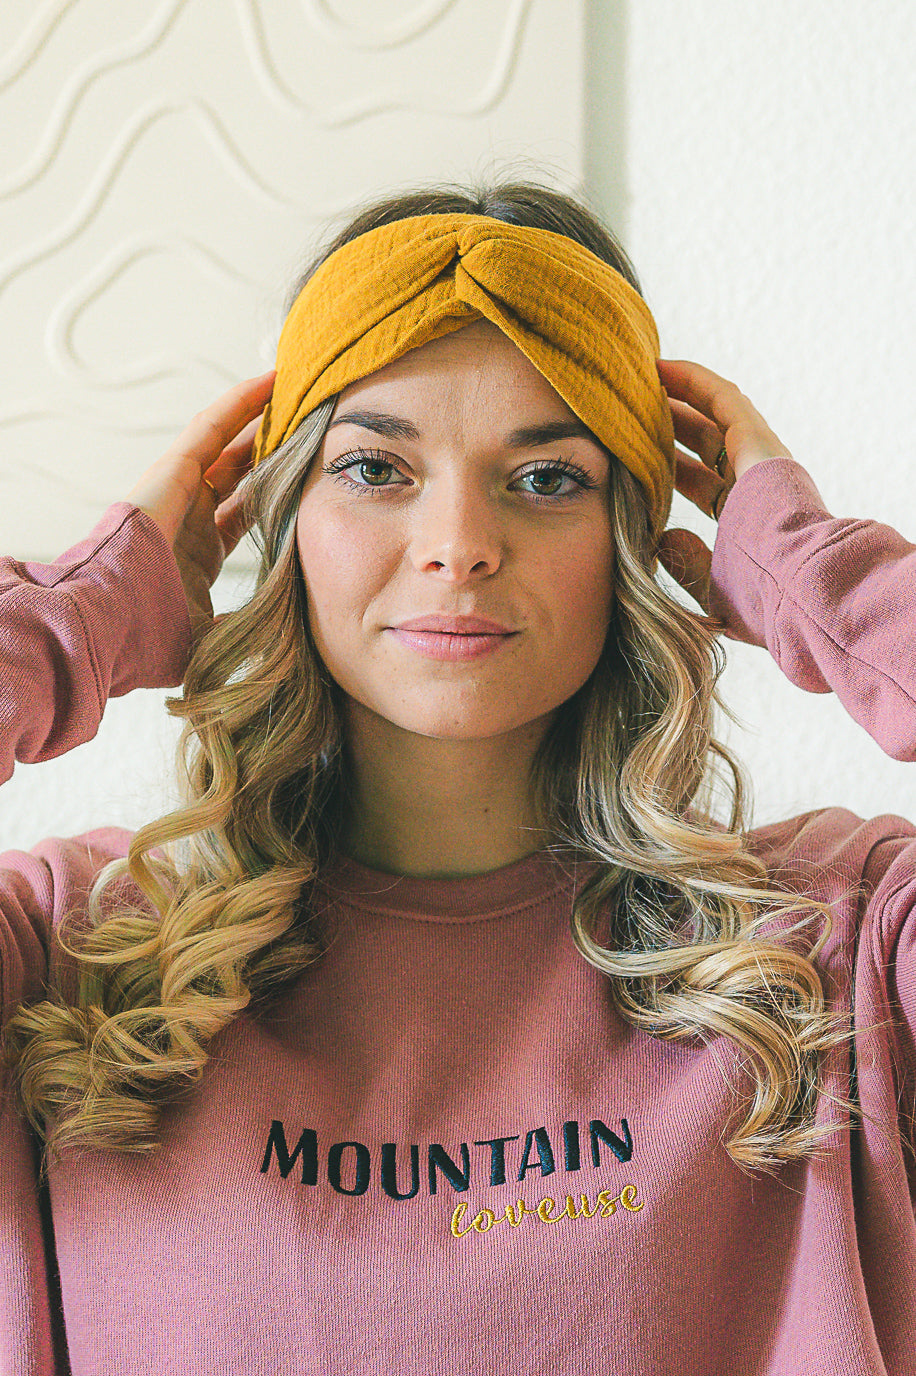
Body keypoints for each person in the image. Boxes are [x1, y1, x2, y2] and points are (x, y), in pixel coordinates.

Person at [0, 181, 913, 1376]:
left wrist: (840, 596)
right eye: (376, 467)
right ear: (281, 524)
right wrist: (66, 626)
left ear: (634, 540)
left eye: (546, 478)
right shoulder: (69, 957)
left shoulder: (841, 951)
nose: (458, 541)